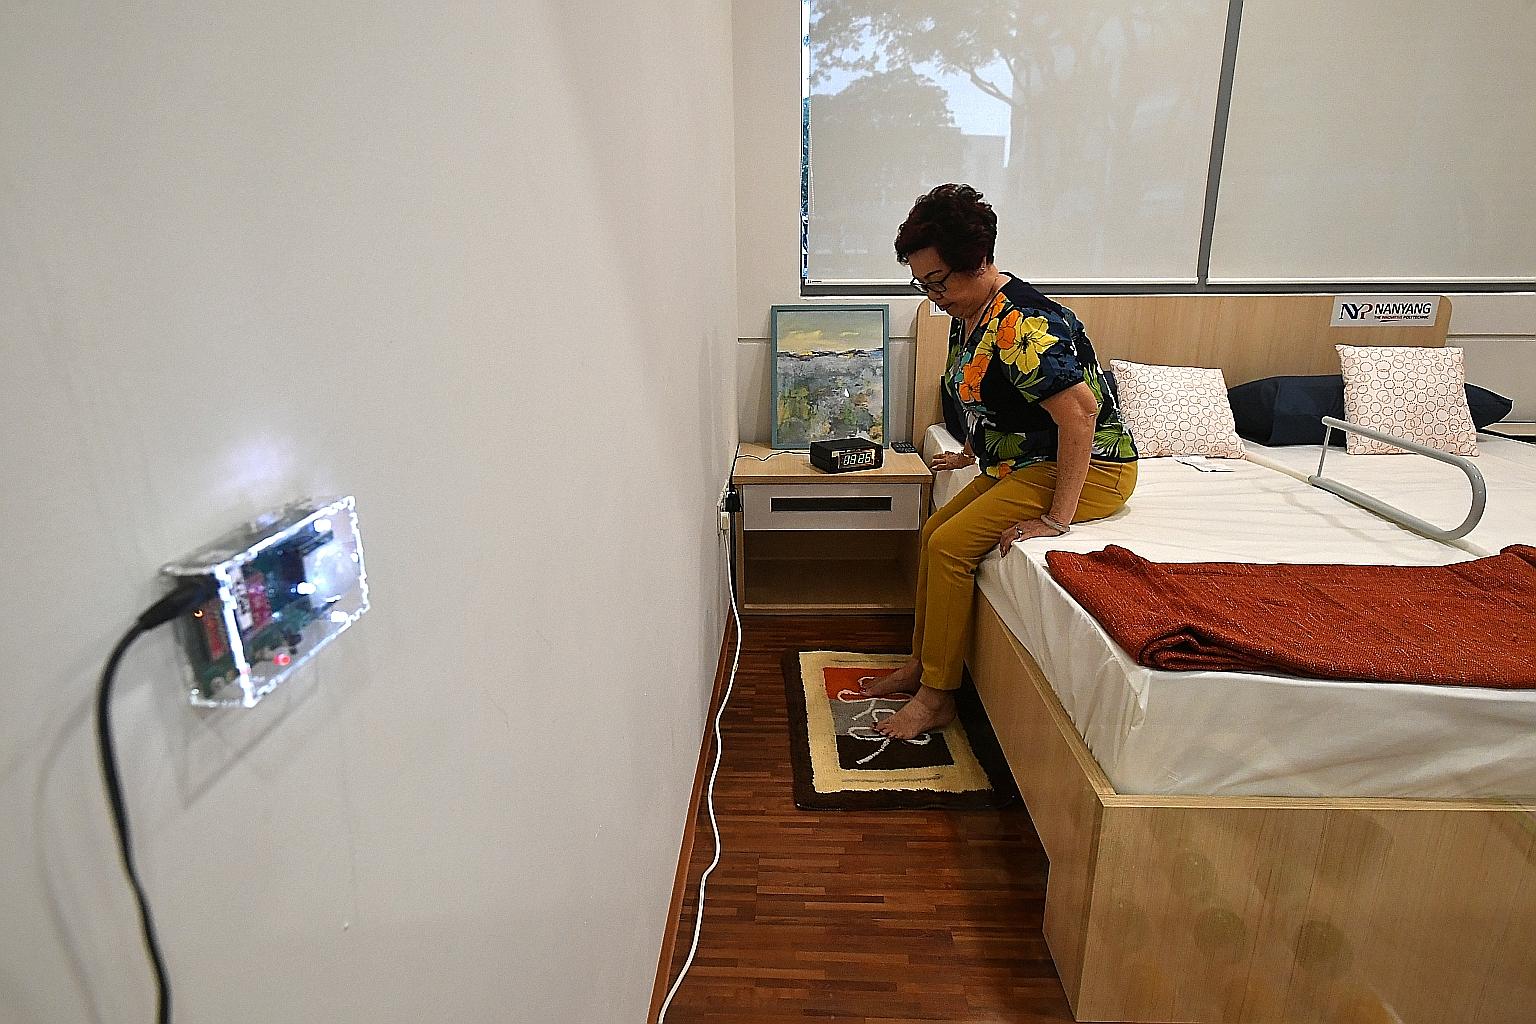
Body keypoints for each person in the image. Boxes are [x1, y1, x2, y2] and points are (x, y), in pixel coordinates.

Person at [867, 184, 1138, 740]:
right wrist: (973, 450)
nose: (933, 295)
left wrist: (1057, 519)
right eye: (922, 284)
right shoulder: (968, 316)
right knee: (936, 529)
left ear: (978, 260)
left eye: (939, 282)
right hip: (1022, 462)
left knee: (949, 546)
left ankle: (938, 696)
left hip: (1093, 468)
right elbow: (983, 394)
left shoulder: (1024, 326)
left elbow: (1080, 418)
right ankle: (922, 662)